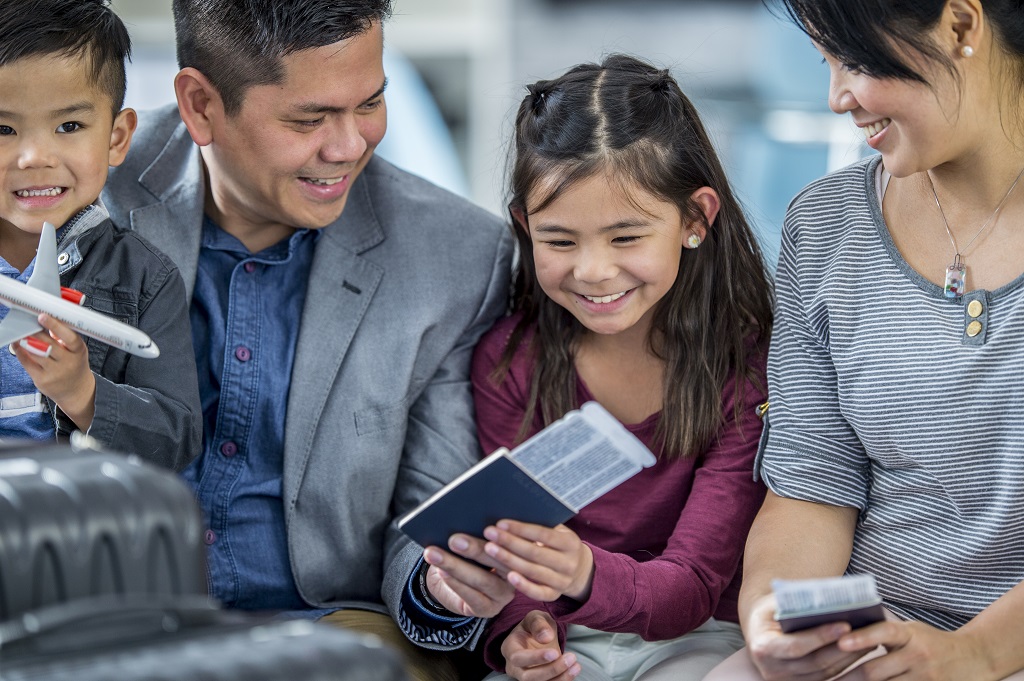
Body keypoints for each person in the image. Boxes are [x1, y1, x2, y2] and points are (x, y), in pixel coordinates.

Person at [100, 1, 514, 679]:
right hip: (113, 624)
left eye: (371, 103)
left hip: (332, 631)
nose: (349, 144)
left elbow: (431, 511)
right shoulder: (82, 197)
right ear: (200, 104)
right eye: (309, 119)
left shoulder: (459, 259)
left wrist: (442, 587)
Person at [703, 1, 1024, 679]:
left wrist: (974, 654)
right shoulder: (823, 227)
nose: (836, 97)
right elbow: (811, 485)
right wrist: (773, 616)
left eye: (852, 60)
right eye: (825, 61)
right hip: (879, 641)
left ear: (961, 26)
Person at [433, 54, 774, 681]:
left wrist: (583, 571)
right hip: (570, 637)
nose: (592, 271)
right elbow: (514, 548)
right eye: (559, 241)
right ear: (524, 227)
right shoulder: (511, 361)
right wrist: (523, 634)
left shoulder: (745, 368)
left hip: (697, 638)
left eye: (625, 238)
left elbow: (694, 584)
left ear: (696, 219)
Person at [0, 0, 201, 468]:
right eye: (3, 128)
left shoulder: (145, 279)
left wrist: (82, 393)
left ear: (116, 138)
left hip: (70, 523)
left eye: (69, 126)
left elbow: (178, 439)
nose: (34, 157)